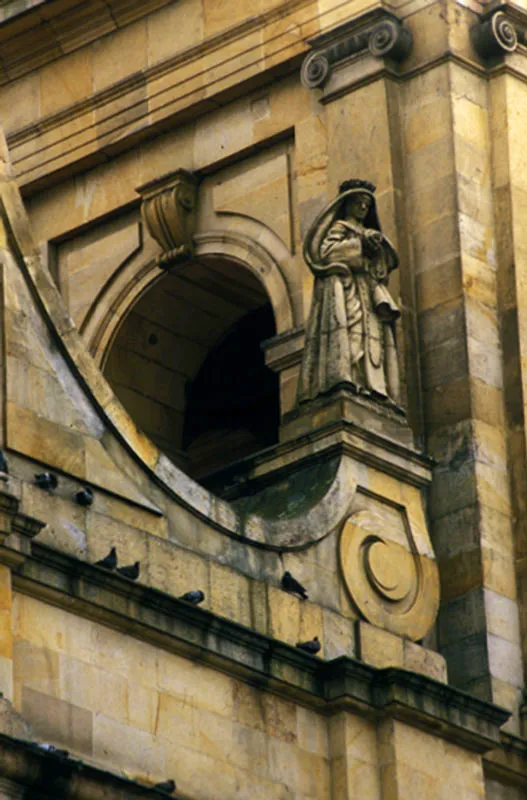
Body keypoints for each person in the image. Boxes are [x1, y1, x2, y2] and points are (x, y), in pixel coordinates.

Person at [298, 179, 401, 405]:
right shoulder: (340, 227)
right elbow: (326, 253)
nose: (363, 208)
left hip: (367, 290)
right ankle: (351, 377)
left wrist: (377, 251)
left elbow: (381, 267)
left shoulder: (368, 231)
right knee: (351, 333)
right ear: (346, 204)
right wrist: (360, 245)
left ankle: (369, 386)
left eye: (366, 204)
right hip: (347, 288)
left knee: (370, 339)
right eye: (359, 203)